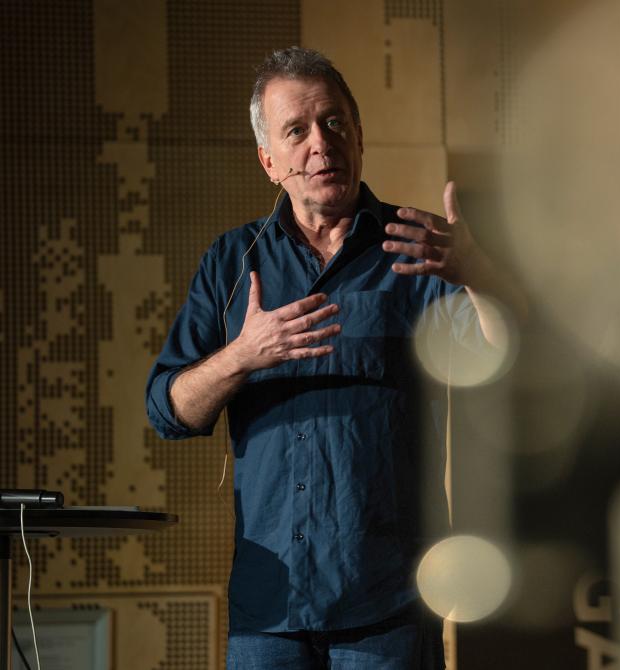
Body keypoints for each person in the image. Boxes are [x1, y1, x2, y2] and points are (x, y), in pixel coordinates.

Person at [145, 47, 521, 669]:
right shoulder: (231, 263)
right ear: (269, 160)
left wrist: (478, 275)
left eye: (335, 123)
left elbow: (504, 357)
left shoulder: (418, 248)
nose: (322, 143)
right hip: (268, 609)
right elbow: (168, 411)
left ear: (359, 136)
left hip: (389, 604)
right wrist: (242, 356)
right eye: (296, 130)